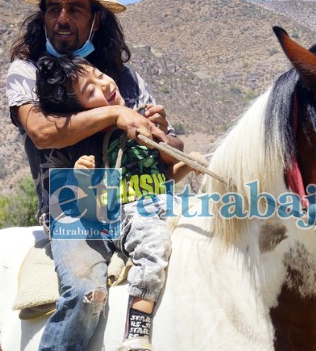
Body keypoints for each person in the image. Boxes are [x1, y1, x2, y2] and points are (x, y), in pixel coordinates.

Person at [5, 0, 183, 350]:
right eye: (54, 8)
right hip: (73, 204)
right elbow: (41, 131)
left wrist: (164, 133)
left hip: (140, 200)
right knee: (89, 293)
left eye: (75, 9)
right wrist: (117, 114)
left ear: (96, 19)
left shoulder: (125, 80)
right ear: (44, 16)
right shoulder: (27, 70)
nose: (62, 18)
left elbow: (171, 152)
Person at [35, 54, 196, 350]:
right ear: (78, 110)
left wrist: (164, 135)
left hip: (156, 201)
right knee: (88, 289)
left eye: (99, 74)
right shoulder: (84, 140)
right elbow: (83, 201)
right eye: (90, 91)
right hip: (104, 214)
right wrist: (81, 177)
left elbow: (164, 166)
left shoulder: (135, 113)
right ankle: (136, 327)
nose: (104, 85)